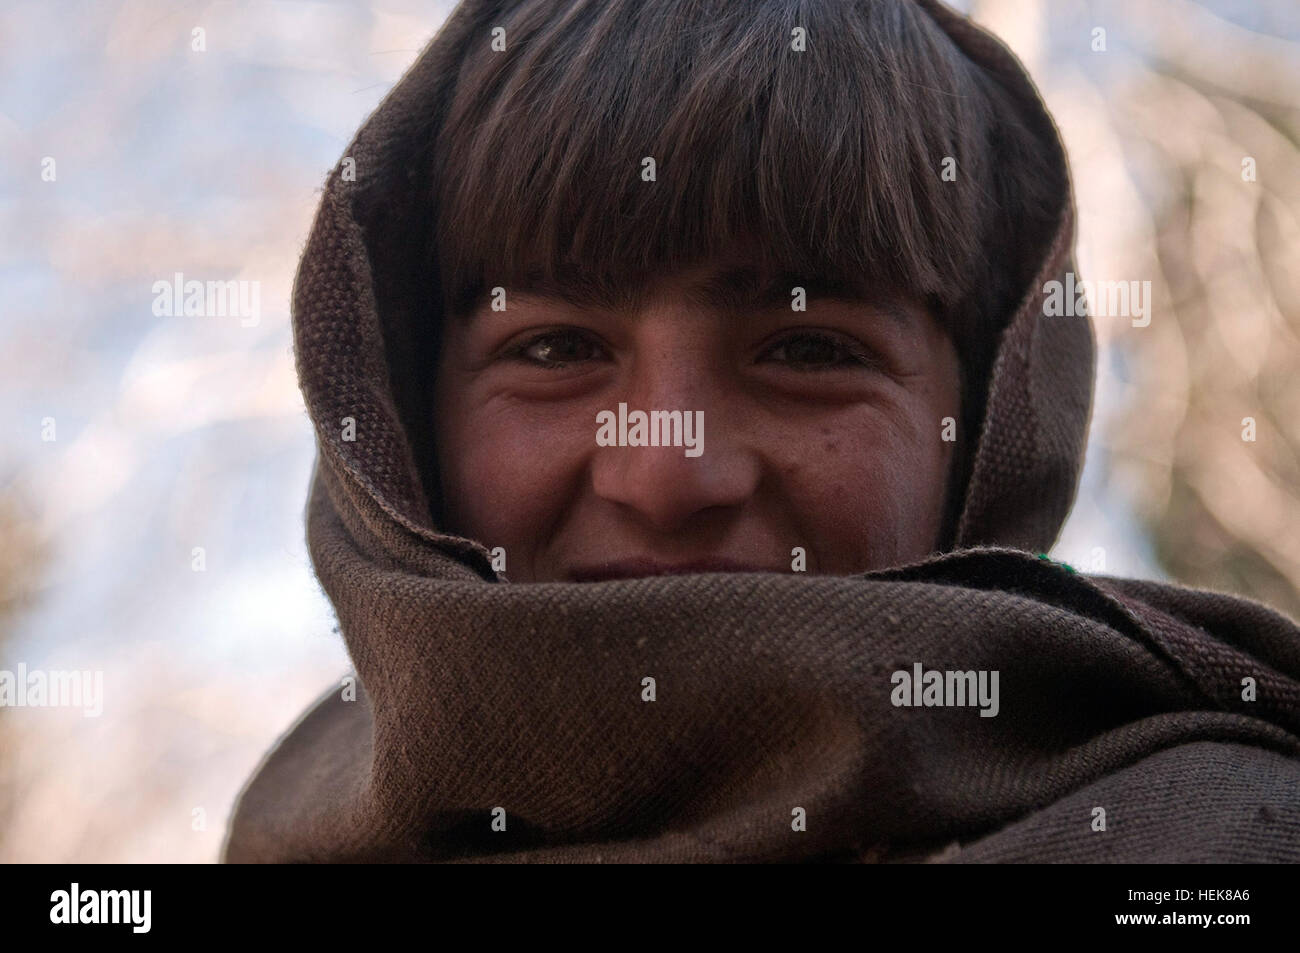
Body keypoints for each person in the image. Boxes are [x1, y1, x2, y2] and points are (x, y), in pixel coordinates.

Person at [222, 0, 1300, 863]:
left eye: (808, 351)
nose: (666, 472)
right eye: (553, 349)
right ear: (406, 426)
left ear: (984, 431)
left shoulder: (1215, 838)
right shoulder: (295, 833)